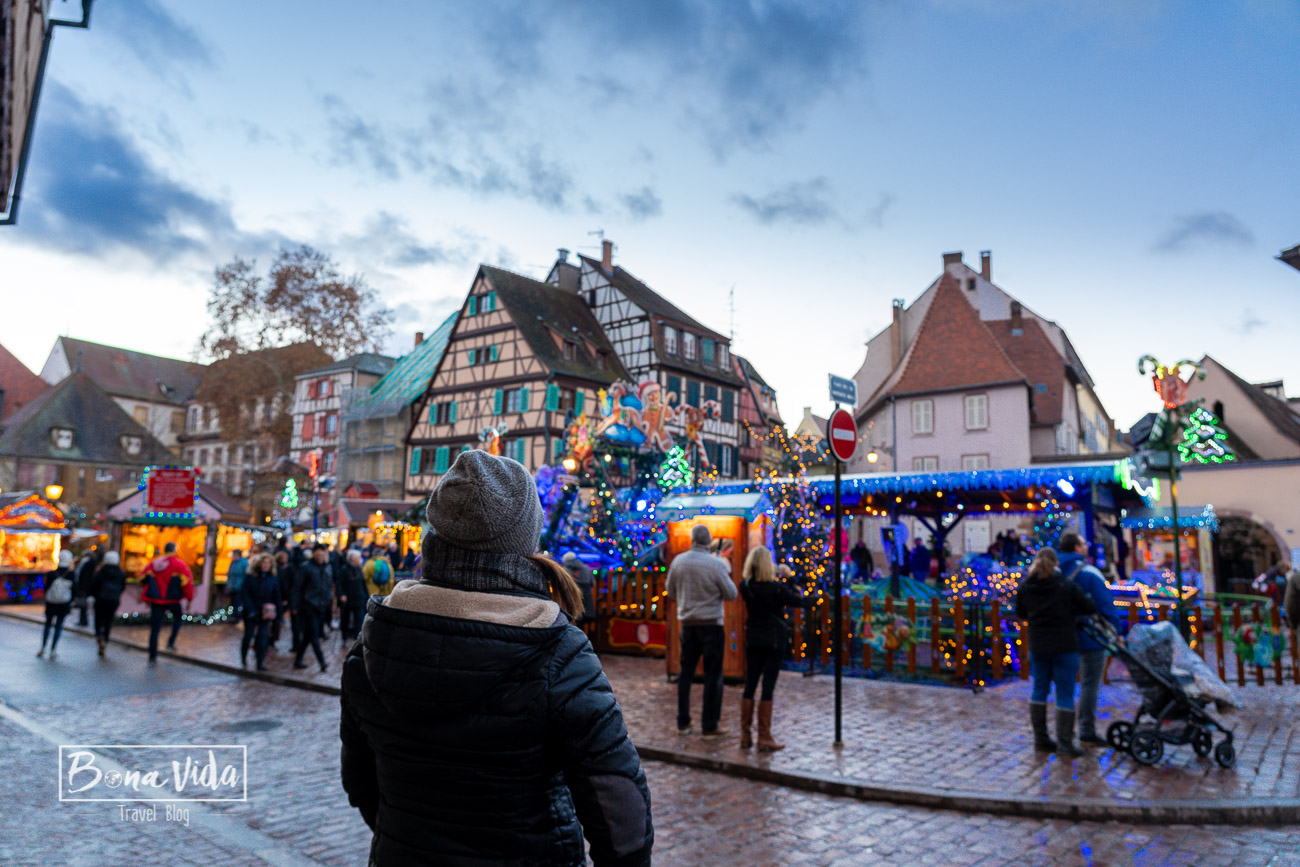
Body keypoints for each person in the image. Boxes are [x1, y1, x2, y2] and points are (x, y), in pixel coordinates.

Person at [340, 449, 653, 866]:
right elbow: (617, 802)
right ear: (525, 539)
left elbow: (360, 784)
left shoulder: (372, 643)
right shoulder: (559, 652)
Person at [1014, 547, 1096, 757]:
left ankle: (1041, 739)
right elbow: (1088, 607)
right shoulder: (1065, 585)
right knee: (1065, 693)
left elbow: (1020, 613)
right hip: (1064, 646)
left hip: (1038, 646)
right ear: (1055, 563)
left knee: (1039, 689)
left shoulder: (1026, 586)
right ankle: (1065, 743)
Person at [665, 523, 737, 738]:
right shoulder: (715, 565)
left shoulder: (679, 561)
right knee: (713, 675)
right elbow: (731, 593)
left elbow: (670, 590)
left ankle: (683, 721)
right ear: (708, 541)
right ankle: (709, 724)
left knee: (685, 674)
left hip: (688, 625)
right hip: (712, 625)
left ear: (692, 540)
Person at [738, 548, 813, 751]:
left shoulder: (745, 586)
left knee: (750, 685)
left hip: (753, 639)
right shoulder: (776, 589)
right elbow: (799, 601)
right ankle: (764, 736)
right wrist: (791, 579)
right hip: (773, 641)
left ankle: (745, 735)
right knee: (767, 687)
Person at [1058, 531, 1122, 746]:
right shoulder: (1089, 572)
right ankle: (1086, 729)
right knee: (1090, 683)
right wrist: (1115, 630)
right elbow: (1105, 604)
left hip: (1061, 635)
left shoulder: (1053, 571)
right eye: (1084, 543)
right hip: (1089, 634)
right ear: (1076, 548)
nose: (1086, 546)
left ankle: (1063, 732)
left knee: (1064, 684)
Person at [140, 542, 195, 663]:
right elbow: (187, 584)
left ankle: (152, 654)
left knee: (155, 627)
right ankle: (171, 642)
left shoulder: (154, 563)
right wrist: (189, 599)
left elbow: (142, 578)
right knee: (178, 619)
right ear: (175, 550)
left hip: (157, 601)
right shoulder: (180, 565)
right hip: (173, 600)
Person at [292, 543, 333, 672]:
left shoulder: (327, 567)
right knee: (314, 635)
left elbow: (328, 584)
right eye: (318, 551)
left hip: (322, 606)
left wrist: (329, 600)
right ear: (314, 553)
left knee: (308, 636)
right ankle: (322, 662)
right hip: (308, 605)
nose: (320, 554)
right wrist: (295, 605)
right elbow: (297, 587)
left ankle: (298, 660)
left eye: (322, 551)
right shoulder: (306, 567)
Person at [238, 553, 281, 671]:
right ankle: (244, 656)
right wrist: (250, 609)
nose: (266, 565)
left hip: (265, 612)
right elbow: (244, 594)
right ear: (259, 564)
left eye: (268, 563)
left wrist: (279, 614)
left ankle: (259, 662)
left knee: (262, 637)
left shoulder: (272, 578)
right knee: (248, 635)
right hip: (251, 611)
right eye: (264, 562)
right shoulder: (250, 577)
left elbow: (276, 596)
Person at [36, 550, 77, 659]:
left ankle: (43, 647)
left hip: (51, 603)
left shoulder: (51, 574)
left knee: (48, 625)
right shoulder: (71, 574)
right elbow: (74, 591)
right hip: (63, 604)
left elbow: (45, 589)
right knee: (58, 626)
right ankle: (53, 649)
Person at [87, 551, 126, 657]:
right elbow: (123, 587)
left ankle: (99, 635)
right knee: (109, 620)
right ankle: (106, 639)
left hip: (100, 600)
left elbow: (94, 585)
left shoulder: (101, 571)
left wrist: (93, 596)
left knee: (99, 619)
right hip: (113, 600)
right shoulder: (120, 572)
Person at [335, 549, 367, 642]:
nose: (360, 559)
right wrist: (341, 595)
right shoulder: (344, 569)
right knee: (345, 618)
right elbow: (339, 584)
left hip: (358, 598)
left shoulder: (359, 569)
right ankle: (345, 635)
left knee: (359, 619)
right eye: (358, 558)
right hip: (347, 599)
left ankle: (357, 637)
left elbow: (362, 583)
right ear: (353, 559)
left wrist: (366, 594)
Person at [562, 551, 597, 625]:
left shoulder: (564, 570)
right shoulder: (586, 568)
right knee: (582, 624)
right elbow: (592, 583)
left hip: (571, 600)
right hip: (585, 600)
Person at [226, 549, 249, 619]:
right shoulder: (233, 562)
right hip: (232, 586)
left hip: (240, 586)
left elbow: (246, 574)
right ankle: (233, 616)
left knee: (237, 602)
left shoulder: (244, 563)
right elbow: (229, 574)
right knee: (233, 602)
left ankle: (235, 616)